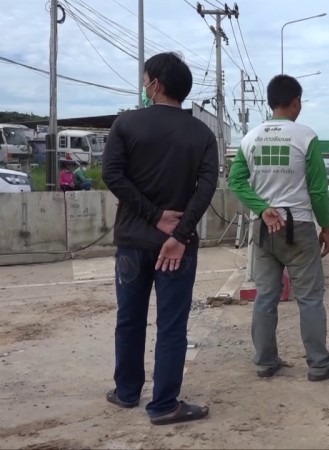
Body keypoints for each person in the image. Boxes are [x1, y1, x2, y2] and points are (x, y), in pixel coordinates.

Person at [102, 52, 219, 425]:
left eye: (146, 78)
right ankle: (164, 404)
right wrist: (179, 234)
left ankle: (126, 392)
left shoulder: (126, 124)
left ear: (156, 84)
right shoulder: (201, 134)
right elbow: (207, 188)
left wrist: (153, 217)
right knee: (172, 325)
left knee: (130, 319)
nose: (145, 83)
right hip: (178, 250)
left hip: (132, 243)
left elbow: (113, 176)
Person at [227, 74, 329, 382]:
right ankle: (319, 365)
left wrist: (262, 208)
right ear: (295, 101)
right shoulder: (305, 136)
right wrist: (327, 228)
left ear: (270, 102)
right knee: (309, 298)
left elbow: (236, 182)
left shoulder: (249, 138)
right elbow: (319, 190)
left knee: (266, 296)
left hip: (263, 230)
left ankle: (265, 361)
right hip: (299, 228)